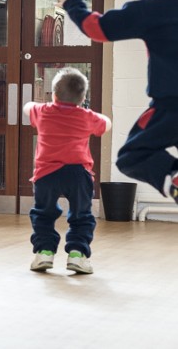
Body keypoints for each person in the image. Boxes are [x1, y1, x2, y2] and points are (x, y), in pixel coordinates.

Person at [57, 0, 178, 203]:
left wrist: (73, 4)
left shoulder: (153, 9)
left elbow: (98, 28)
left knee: (133, 156)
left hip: (171, 106)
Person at [24, 68, 111, 274]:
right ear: (82, 98)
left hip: (46, 174)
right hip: (78, 173)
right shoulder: (86, 116)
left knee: (43, 213)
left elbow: (27, 107)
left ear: (54, 94)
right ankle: (77, 255)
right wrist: (94, 114)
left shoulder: (43, 111)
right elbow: (106, 124)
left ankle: (44, 252)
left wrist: (39, 103)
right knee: (82, 215)